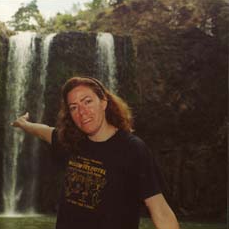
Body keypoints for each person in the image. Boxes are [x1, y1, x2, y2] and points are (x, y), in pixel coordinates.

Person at [12, 76, 180, 229]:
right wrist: (24, 124)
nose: (82, 112)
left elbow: (161, 211)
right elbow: (45, 131)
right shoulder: (72, 142)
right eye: (74, 107)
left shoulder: (132, 149)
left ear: (103, 102)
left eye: (87, 101)